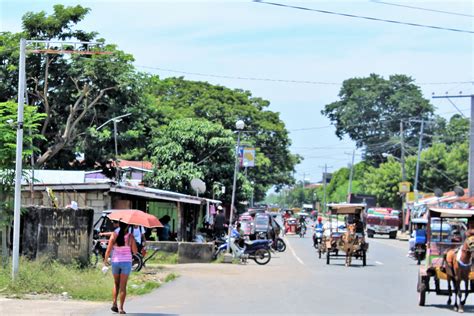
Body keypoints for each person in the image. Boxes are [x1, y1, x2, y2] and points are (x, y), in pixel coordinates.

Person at [104, 221, 138, 314]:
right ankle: (121, 308)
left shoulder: (114, 234)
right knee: (123, 286)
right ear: (127, 226)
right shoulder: (130, 236)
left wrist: (105, 260)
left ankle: (114, 303)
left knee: (116, 283)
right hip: (126, 262)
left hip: (115, 261)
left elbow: (108, 249)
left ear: (119, 224)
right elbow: (135, 252)